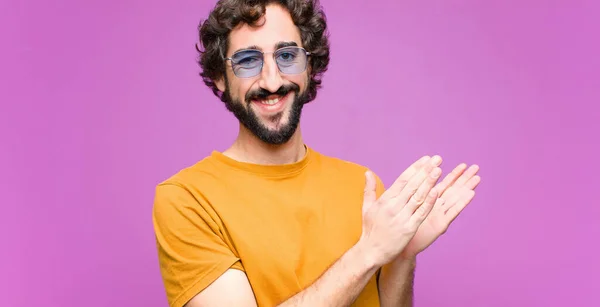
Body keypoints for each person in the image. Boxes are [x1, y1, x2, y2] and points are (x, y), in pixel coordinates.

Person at [152, 0, 481, 306]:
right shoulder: (186, 200)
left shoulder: (362, 186)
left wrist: (401, 255)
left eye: (287, 56)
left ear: (309, 67)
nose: (271, 80)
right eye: (248, 60)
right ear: (220, 77)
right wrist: (368, 253)